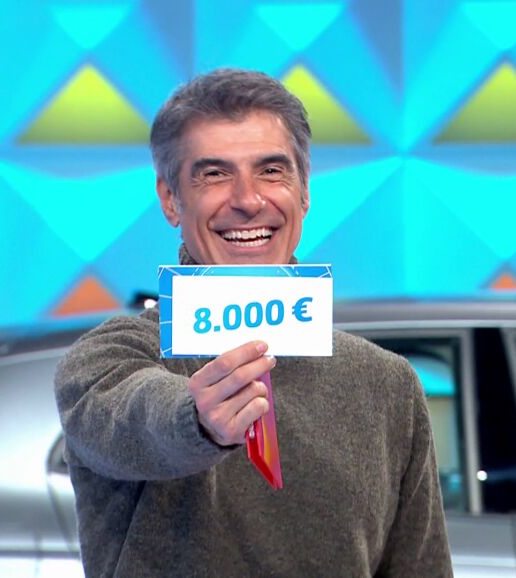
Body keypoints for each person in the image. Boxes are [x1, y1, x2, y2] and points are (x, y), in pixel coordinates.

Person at [54, 68, 452, 577]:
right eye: (214, 175)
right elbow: (131, 415)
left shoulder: (386, 384)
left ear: (303, 192)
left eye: (271, 171)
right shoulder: (108, 359)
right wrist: (197, 420)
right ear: (171, 199)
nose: (247, 199)